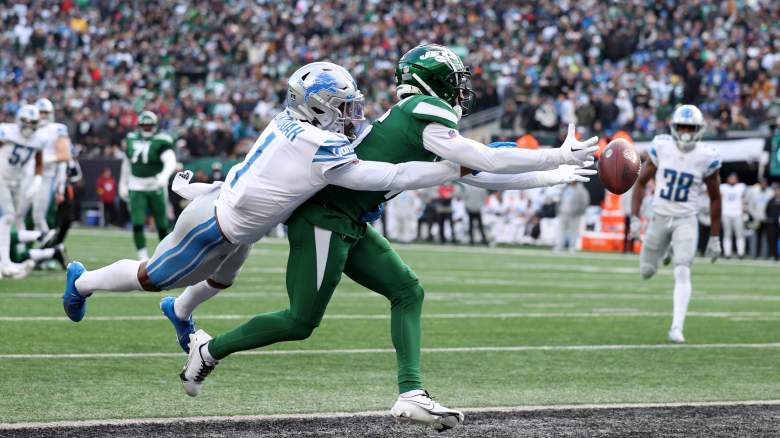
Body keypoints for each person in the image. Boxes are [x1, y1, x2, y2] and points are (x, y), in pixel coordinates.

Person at [177, 45, 599, 432]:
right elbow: (485, 158)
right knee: (300, 321)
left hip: (350, 219)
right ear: (430, 83)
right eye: (454, 82)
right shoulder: (421, 109)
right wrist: (557, 155)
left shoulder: (422, 121)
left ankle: (411, 394)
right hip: (325, 218)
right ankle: (210, 350)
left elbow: (482, 175)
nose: (461, 91)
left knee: (408, 290)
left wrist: (553, 176)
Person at [63, 61, 464, 330]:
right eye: (343, 107)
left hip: (238, 218)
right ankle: (82, 281)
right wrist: (447, 168)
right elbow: (380, 174)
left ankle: (180, 312)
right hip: (214, 225)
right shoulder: (313, 140)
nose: (351, 115)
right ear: (316, 108)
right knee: (152, 276)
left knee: (223, 279)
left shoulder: (299, 126)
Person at [630, 104, 722, 344]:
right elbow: (640, 183)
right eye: (682, 126)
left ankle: (676, 327)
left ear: (699, 129)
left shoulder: (706, 156)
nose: (685, 132)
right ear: (673, 127)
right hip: (659, 216)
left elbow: (715, 197)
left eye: (690, 128)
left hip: (686, 219)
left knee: (683, 269)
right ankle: (666, 250)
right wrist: (634, 217)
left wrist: (714, 237)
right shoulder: (662, 146)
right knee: (647, 272)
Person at [119, 111, 176, 260]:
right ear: (139, 126)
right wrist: (123, 183)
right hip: (136, 185)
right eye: (144, 125)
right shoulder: (131, 138)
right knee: (137, 222)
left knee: (162, 224)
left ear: (155, 126)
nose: (146, 128)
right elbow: (126, 163)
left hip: (155, 184)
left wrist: (164, 176)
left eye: (149, 126)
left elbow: (170, 160)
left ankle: (165, 255)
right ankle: (143, 258)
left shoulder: (161, 139)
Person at [0, 105, 45, 278]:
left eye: (33, 122)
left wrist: (37, 179)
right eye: (26, 122)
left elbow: (39, 161)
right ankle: (5, 263)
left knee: (9, 218)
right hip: (1, 178)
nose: (29, 126)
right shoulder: (7, 132)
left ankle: (4, 263)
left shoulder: (38, 139)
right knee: (7, 218)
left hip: (17, 182)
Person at [32, 98, 71, 244]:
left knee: (39, 216)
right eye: (40, 113)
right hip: (27, 177)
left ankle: (49, 249)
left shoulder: (57, 129)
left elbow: (63, 159)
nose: (43, 116)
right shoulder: (30, 129)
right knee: (20, 215)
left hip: (46, 177)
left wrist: (60, 187)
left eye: (45, 113)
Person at [555, 181, 590, 252]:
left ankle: (572, 246)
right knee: (560, 230)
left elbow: (585, 202)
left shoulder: (581, 190)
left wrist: (578, 212)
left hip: (574, 215)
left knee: (573, 231)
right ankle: (559, 245)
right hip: (563, 213)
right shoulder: (566, 188)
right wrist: (559, 209)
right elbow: (561, 199)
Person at [720, 172, 746, 258]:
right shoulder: (723, 187)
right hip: (726, 213)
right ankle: (727, 253)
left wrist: (744, 211)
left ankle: (740, 253)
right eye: (730, 178)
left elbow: (744, 198)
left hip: (737, 213)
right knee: (727, 234)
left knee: (739, 234)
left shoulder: (741, 187)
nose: (732, 179)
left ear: (737, 179)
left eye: (733, 178)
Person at [746, 180, 772, 258]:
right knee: (755, 237)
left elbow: (771, 207)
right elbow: (750, 207)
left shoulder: (770, 193)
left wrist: (767, 216)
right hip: (756, 219)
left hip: (766, 219)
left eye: (765, 184)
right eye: (762, 184)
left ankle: (764, 255)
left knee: (766, 238)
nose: (764, 185)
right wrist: (755, 216)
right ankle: (754, 254)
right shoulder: (755, 193)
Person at [766, 184, 780, 261]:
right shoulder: (771, 200)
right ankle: (773, 255)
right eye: (777, 190)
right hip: (773, 224)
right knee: (772, 240)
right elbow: (767, 211)